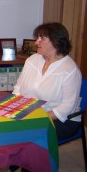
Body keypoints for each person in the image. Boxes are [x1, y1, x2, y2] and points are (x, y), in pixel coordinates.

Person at [11, 22, 82, 172]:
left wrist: (39, 117)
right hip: (29, 111)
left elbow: (66, 107)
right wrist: (16, 106)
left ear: (56, 42)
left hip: (61, 119)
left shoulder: (69, 70)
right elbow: (18, 86)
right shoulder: (33, 60)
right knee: (4, 125)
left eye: (41, 38)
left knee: (33, 135)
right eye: (37, 38)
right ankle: (16, 160)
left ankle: (29, 166)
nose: (36, 42)